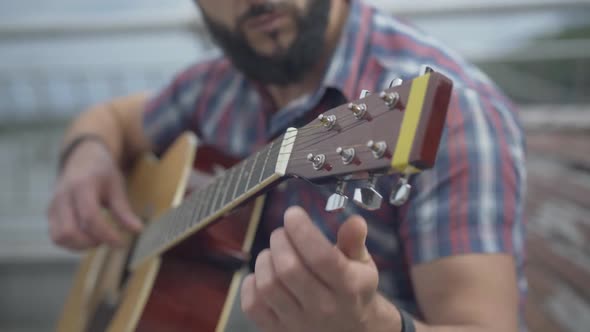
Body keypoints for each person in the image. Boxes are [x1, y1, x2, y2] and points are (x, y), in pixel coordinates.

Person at [47, 0, 527, 331]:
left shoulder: (452, 116)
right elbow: (112, 118)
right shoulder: (215, 87)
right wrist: (86, 154)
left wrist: (372, 326)